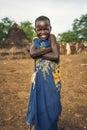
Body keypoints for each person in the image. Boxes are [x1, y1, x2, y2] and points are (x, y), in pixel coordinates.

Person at [26, 16, 62, 130]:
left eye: (45, 28)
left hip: (52, 79)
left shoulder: (52, 38)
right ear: (35, 30)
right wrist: (49, 49)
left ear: (50, 28)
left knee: (53, 104)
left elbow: (55, 56)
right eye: (39, 29)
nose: (42, 32)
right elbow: (32, 53)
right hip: (40, 79)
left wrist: (38, 53)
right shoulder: (35, 42)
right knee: (40, 104)